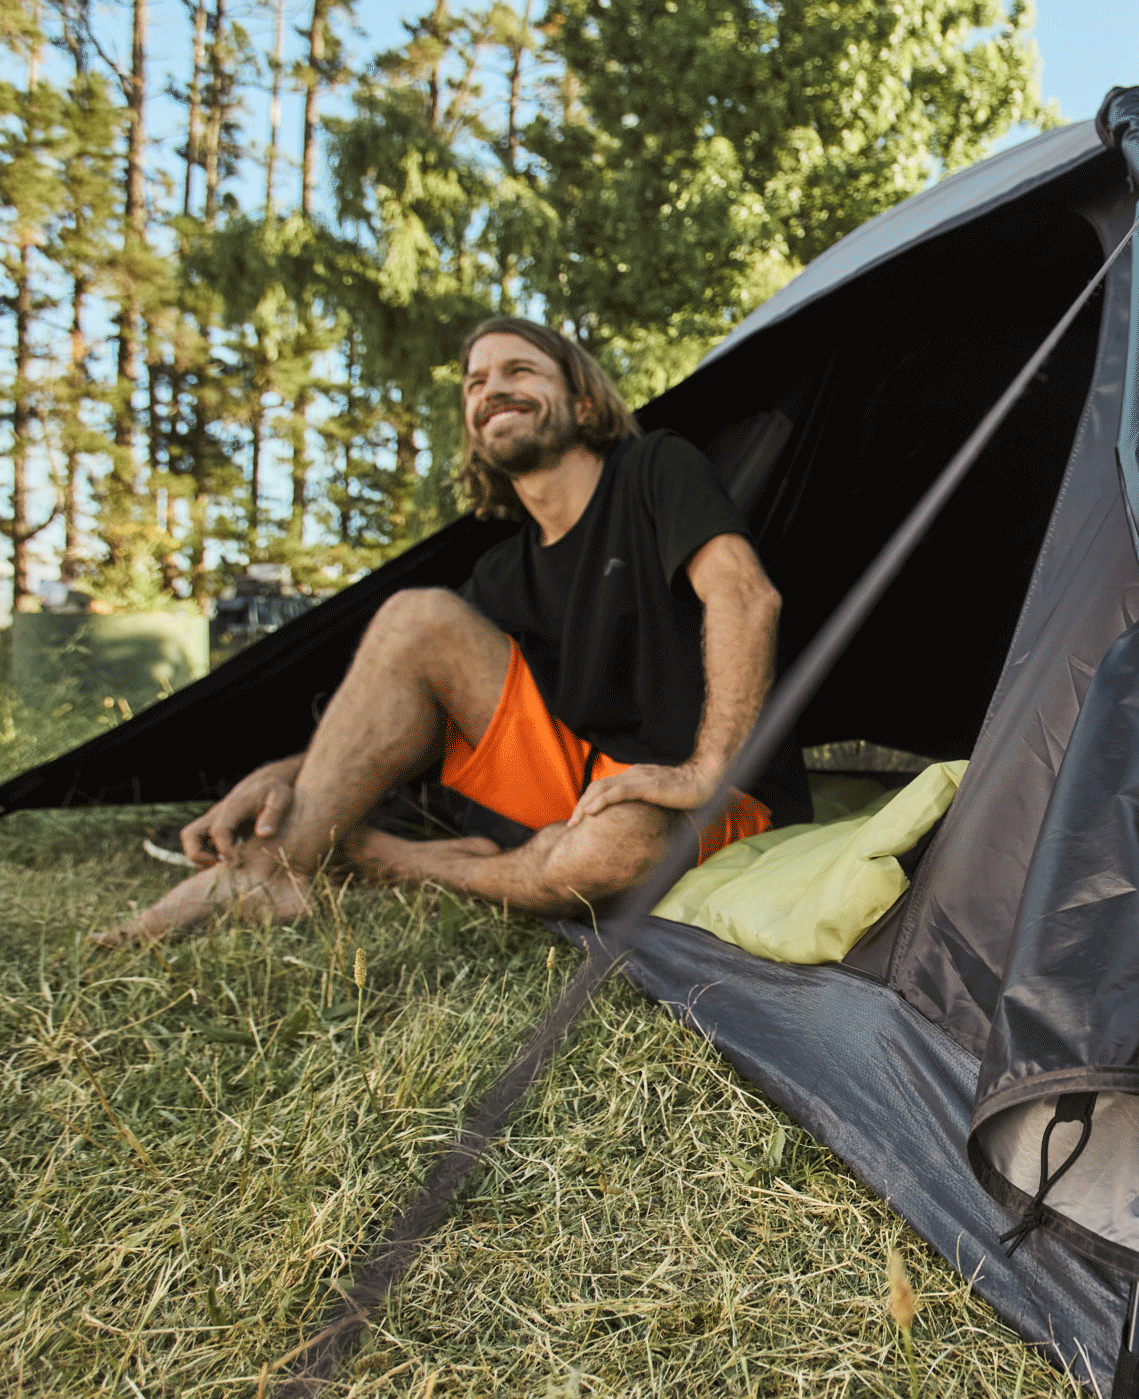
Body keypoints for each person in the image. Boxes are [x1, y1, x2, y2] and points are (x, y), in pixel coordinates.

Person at [98, 318, 797, 943]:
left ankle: (387, 860)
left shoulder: (653, 468)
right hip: (578, 775)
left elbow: (745, 595)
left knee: (613, 849)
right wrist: (276, 775)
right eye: (476, 383)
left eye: (520, 370)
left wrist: (704, 772)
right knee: (415, 619)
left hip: (715, 791)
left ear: (584, 402)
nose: (493, 388)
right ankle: (273, 870)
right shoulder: (500, 572)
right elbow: (392, 706)